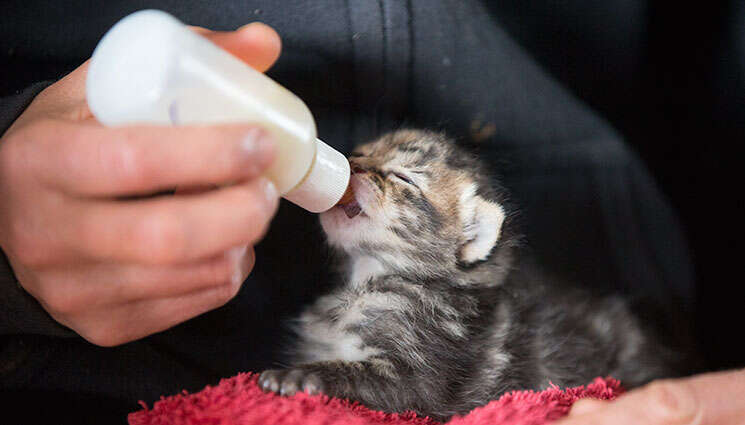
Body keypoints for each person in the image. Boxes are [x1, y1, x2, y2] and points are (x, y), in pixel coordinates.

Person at [0, 1, 741, 423]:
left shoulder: (424, 309)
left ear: (467, 245)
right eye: (369, 159)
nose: (358, 170)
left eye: (402, 186)